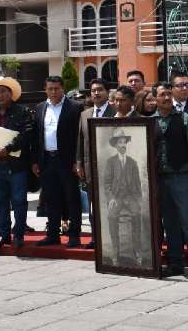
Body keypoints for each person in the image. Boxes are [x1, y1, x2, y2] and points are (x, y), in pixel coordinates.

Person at [153, 82, 188, 280]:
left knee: (187, 222)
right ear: (155, 99)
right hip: (159, 179)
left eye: (169, 94)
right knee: (169, 223)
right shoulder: (149, 122)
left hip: (181, 177)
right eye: (162, 95)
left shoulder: (185, 119)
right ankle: (175, 263)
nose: (167, 98)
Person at [33, 76, 83, 248]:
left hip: (67, 161)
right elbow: (36, 137)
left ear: (62, 89)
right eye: (50, 89)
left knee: (72, 198)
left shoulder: (75, 108)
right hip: (47, 160)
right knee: (51, 199)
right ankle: (52, 234)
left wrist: (78, 161)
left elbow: (79, 136)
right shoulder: (40, 108)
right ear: (45, 89)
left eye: (56, 88)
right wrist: (35, 161)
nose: (53, 92)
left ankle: (74, 235)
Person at [0, 76, 34, 249]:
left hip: (16, 165)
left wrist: (7, 148)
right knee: (0, 201)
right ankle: (4, 235)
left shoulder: (22, 111)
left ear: (11, 93)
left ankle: (19, 235)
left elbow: (27, 134)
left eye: (3, 92)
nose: (0, 96)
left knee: (19, 201)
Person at [75, 78, 116, 249]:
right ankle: (95, 238)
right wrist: (79, 164)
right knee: (94, 207)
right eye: (93, 91)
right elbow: (80, 140)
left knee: (112, 206)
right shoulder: (85, 114)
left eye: (100, 90)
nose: (96, 93)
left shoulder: (115, 112)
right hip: (90, 168)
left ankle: (113, 240)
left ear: (107, 92)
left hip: (112, 169)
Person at [104, 128, 143, 265]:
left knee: (137, 214)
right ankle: (115, 252)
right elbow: (107, 184)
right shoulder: (111, 162)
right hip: (117, 197)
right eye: (120, 142)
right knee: (111, 216)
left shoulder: (133, 163)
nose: (122, 145)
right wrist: (111, 198)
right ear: (115, 145)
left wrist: (138, 200)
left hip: (130, 197)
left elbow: (138, 184)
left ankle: (137, 251)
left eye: (124, 142)